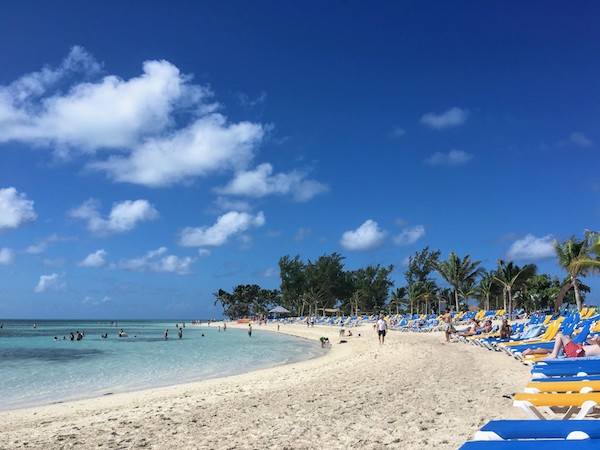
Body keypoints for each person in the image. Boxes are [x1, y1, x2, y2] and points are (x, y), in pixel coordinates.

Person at [522, 332, 600, 359]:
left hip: (577, 352)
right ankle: (532, 351)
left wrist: (596, 339)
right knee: (554, 350)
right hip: (577, 350)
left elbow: (597, 340)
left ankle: (553, 355)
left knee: (559, 335)